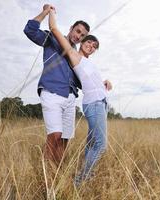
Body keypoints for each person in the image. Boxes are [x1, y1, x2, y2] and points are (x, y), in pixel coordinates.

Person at [48, 8, 112, 185]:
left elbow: (92, 82)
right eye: (89, 42)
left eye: (94, 47)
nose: (91, 46)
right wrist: (50, 11)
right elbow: (54, 28)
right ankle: (81, 180)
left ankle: (85, 175)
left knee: (92, 144)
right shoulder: (74, 56)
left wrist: (106, 82)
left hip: (102, 103)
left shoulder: (89, 63)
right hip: (94, 104)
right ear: (82, 40)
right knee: (101, 145)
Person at [23, 4, 90, 165]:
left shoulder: (76, 55)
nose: (78, 36)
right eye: (78, 31)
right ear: (71, 28)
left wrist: (100, 83)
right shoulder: (52, 39)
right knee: (55, 136)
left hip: (70, 97)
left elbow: (81, 81)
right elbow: (30, 30)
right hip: (52, 92)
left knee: (64, 140)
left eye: (82, 36)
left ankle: (57, 173)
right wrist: (46, 12)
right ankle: (47, 179)